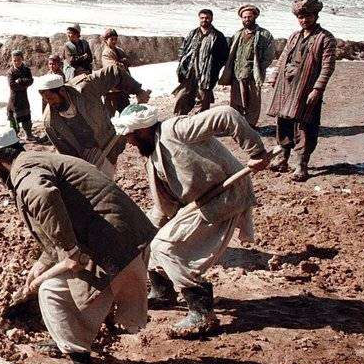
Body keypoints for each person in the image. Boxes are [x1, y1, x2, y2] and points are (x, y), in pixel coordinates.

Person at [0, 128, 155, 364]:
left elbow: (44, 195)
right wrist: (41, 263)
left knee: (51, 292)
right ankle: (76, 334)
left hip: (111, 249)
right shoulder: (40, 160)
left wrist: (70, 251)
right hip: (129, 240)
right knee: (72, 287)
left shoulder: (25, 173)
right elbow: (63, 218)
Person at [112, 103, 271, 338]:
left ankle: (201, 310)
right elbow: (165, 201)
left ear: (143, 130)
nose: (129, 143)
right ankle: (163, 292)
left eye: (130, 137)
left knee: (165, 247)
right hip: (199, 200)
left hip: (224, 197)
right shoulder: (152, 149)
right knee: (152, 242)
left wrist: (257, 152)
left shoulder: (176, 129)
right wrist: (145, 231)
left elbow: (226, 115)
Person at [267, 0, 336, 182]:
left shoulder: (325, 38)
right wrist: (275, 74)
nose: (304, 20)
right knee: (283, 122)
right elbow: (283, 57)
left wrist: (317, 89)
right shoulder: (294, 36)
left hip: (307, 88)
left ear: (315, 16)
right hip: (286, 86)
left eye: (307, 16)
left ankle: (301, 164)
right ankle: (283, 158)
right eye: (300, 17)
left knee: (305, 125)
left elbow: (327, 67)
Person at [37, 68, 150, 178]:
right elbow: (66, 152)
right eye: (45, 100)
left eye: (51, 98)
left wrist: (138, 91)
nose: (49, 103)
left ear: (61, 91)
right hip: (85, 153)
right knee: (99, 183)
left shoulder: (86, 88)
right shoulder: (50, 122)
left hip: (107, 139)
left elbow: (115, 72)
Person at [218, 5, 275, 128]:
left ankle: (250, 125)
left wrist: (259, 68)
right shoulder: (238, 34)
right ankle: (237, 125)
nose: (247, 19)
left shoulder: (264, 35)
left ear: (255, 16)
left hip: (253, 75)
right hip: (237, 74)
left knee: (253, 101)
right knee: (236, 100)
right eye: (244, 17)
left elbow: (269, 55)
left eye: (249, 16)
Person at [174, 9, 229, 115]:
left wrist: (214, 68)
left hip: (207, 75)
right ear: (199, 18)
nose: (205, 20)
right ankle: (180, 120)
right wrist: (182, 64)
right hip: (190, 72)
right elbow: (183, 49)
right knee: (182, 97)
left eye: (207, 18)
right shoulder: (193, 33)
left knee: (203, 100)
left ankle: (201, 125)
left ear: (211, 19)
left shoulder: (218, 36)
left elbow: (224, 55)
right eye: (202, 18)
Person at [6, 49, 41, 142]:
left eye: (18, 60)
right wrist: (23, 84)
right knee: (14, 119)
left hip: (24, 98)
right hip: (14, 99)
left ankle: (28, 135)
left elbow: (30, 81)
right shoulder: (10, 72)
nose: (17, 62)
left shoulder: (26, 70)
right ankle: (14, 137)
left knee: (26, 117)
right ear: (12, 60)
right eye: (14, 60)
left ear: (22, 59)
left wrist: (20, 81)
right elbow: (12, 85)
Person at [100, 28, 133, 116]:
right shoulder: (106, 53)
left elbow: (128, 63)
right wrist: (122, 63)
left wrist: (125, 62)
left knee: (126, 111)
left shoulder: (120, 50)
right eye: (112, 39)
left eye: (115, 39)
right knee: (109, 114)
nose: (114, 41)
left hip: (122, 87)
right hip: (112, 89)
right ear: (106, 40)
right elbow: (113, 67)